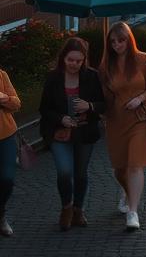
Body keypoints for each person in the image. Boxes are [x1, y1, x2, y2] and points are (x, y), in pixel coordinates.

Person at [100, 21, 146, 232]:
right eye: (114, 42)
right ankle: (126, 192)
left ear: (129, 40)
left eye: (122, 40)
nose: (117, 45)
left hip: (140, 118)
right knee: (119, 168)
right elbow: (102, 96)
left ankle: (133, 212)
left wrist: (142, 98)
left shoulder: (143, 60)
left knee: (135, 163)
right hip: (116, 121)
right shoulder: (106, 66)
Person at [40, 37, 105, 231]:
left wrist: (90, 106)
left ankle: (78, 210)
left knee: (81, 173)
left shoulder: (92, 77)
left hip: (85, 132)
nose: (74, 65)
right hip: (60, 131)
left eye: (79, 61)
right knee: (65, 171)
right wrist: (61, 119)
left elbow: (104, 104)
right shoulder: (53, 78)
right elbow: (44, 108)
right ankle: (66, 208)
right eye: (71, 60)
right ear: (63, 58)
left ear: (84, 60)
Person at [0, 65, 20, 236]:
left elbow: (16, 103)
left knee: (7, 179)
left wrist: (5, 98)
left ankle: (1, 215)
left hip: (5, 135)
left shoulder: (1, 75)